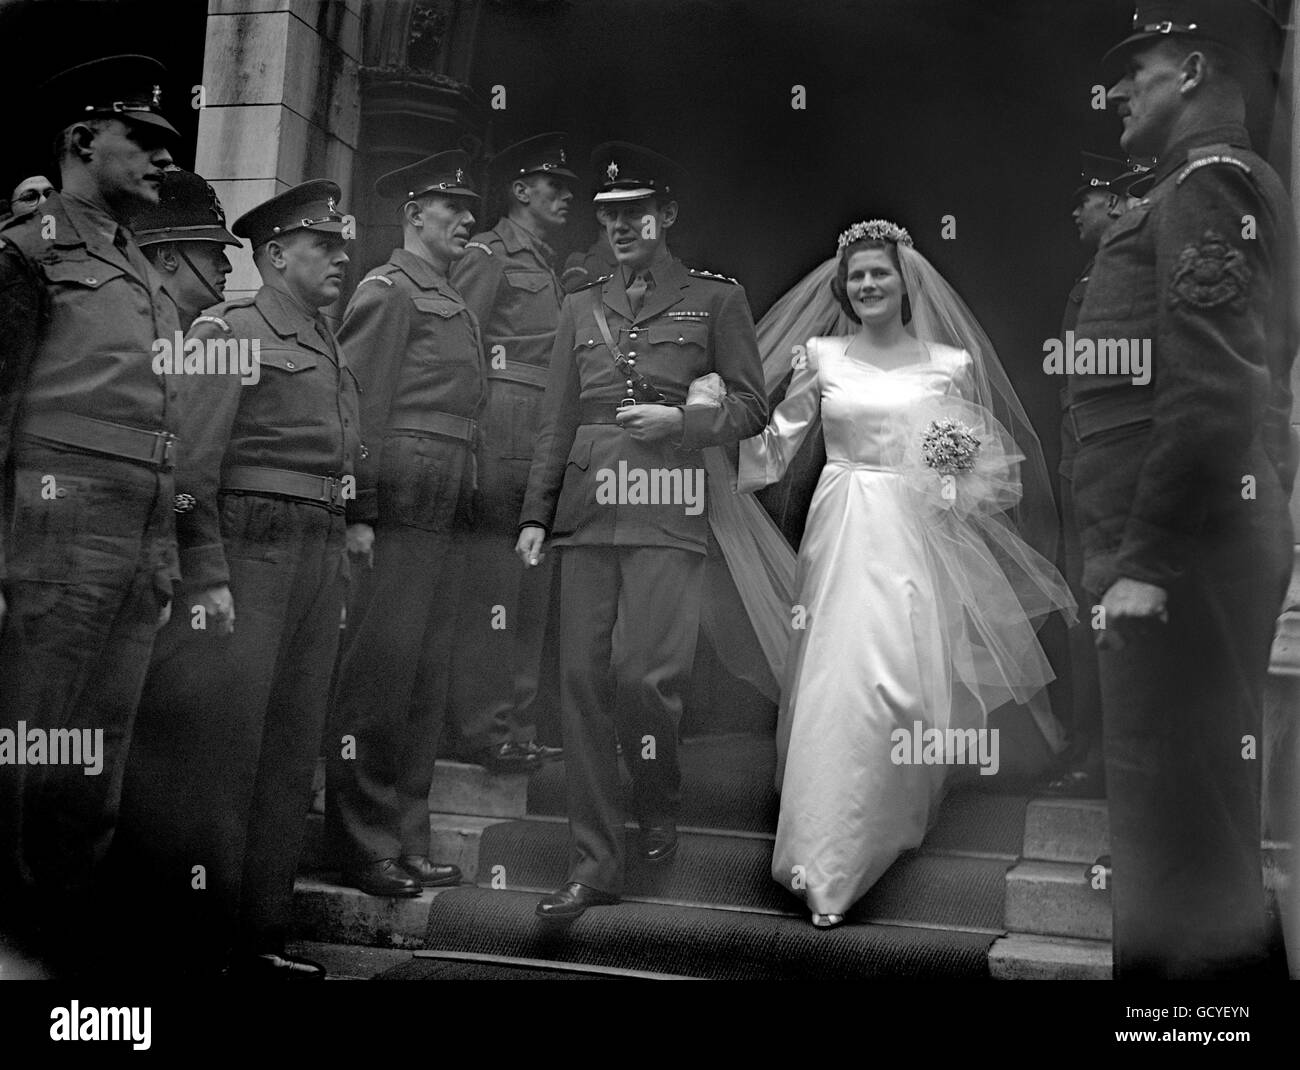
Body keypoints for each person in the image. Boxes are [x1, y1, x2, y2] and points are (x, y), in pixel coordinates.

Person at [735, 220, 1074, 927]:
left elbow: (975, 461)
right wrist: (714, 450)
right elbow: (776, 445)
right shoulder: (821, 356)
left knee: (903, 679)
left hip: (916, 533)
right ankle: (822, 854)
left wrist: (954, 484)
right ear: (841, 286)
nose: (867, 285)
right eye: (855, 275)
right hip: (843, 521)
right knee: (838, 674)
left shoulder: (947, 365)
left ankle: (886, 822)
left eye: (878, 273)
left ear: (904, 279)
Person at [1068, 0, 1297, 978]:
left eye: (1138, 65)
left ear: (1193, 67)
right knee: (1192, 847)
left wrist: (1147, 562)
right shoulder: (1202, 188)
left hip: (1184, 562)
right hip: (1193, 555)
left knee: (1175, 857)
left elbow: (1208, 396)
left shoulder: (1206, 188)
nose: (1117, 90)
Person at [114, 180, 361, 979]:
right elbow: (191, 464)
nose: (340, 258)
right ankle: (204, 942)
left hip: (317, 551)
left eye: (341, 246)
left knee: (292, 748)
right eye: (324, 246)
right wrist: (208, 575)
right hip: (252, 552)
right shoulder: (231, 329)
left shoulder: (324, 339)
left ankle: (261, 936)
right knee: (229, 748)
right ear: (276, 254)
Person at [517, 142, 767, 919]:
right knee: (582, 686)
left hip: (666, 501)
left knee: (642, 678)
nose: (621, 226)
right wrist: (534, 514)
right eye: (609, 215)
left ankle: (656, 786)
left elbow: (753, 408)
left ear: (667, 216)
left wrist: (685, 419)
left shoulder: (715, 300)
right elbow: (557, 418)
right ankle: (595, 862)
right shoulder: (578, 301)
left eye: (635, 213)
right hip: (589, 507)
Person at [0, 55, 180, 974]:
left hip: (131, 538)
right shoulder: (29, 245)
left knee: (92, 769)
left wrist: (161, 548)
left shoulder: (138, 266)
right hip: (53, 531)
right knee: (24, 752)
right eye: (142, 139)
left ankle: (61, 951)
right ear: (81, 141)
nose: (162, 157)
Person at [325, 151, 483, 899]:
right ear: (415, 215)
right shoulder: (389, 291)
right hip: (399, 503)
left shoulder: (447, 295)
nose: (466, 221)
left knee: (424, 678)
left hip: (445, 500)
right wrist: (358, 511)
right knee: (378, 679)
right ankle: (362, 843)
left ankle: (408, 839)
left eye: (469, 212)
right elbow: (357, 406)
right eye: (452, 210)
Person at [446, 132, 574, 774]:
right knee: (494, 582)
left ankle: (518, 723)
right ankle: (484, 726)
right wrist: (473, 433)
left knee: (530, 577)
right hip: (501, 420)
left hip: (542, 423)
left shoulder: (548, 263)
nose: (566, 199)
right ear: (521, 191)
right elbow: (461, 346)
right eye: (555, 187)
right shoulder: (489, 253)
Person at [1045, 152, 1152, 799]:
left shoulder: (1137, 274)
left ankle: (1110, 760)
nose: (1075, 211)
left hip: (1121, 473)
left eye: (1086, 198)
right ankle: (1090, 751)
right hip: (1083, 466)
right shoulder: (1094, 276)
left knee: (1114, 618)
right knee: (1088, 616)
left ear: (1115, 201)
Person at [133, 167, 240, 330]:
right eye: (214, 253)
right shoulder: (123, 333)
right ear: (168, 257)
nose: (228, 266)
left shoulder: (215, 337)